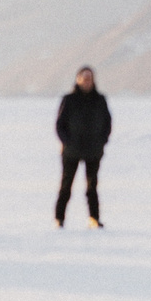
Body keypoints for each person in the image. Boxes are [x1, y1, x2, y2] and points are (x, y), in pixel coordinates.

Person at [55, 66, 111, 229]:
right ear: (78, 79)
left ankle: (94, 218)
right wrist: (67, 142)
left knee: (92, 187)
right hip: (71, 151)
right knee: (66, 186)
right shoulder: (69, 99)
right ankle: (59, 218)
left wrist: (102, 141)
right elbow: (59, 125)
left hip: (93, 151)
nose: (87, 81)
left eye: (90, 78)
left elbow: (107, 123)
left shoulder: (100, 100)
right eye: (84, 78)